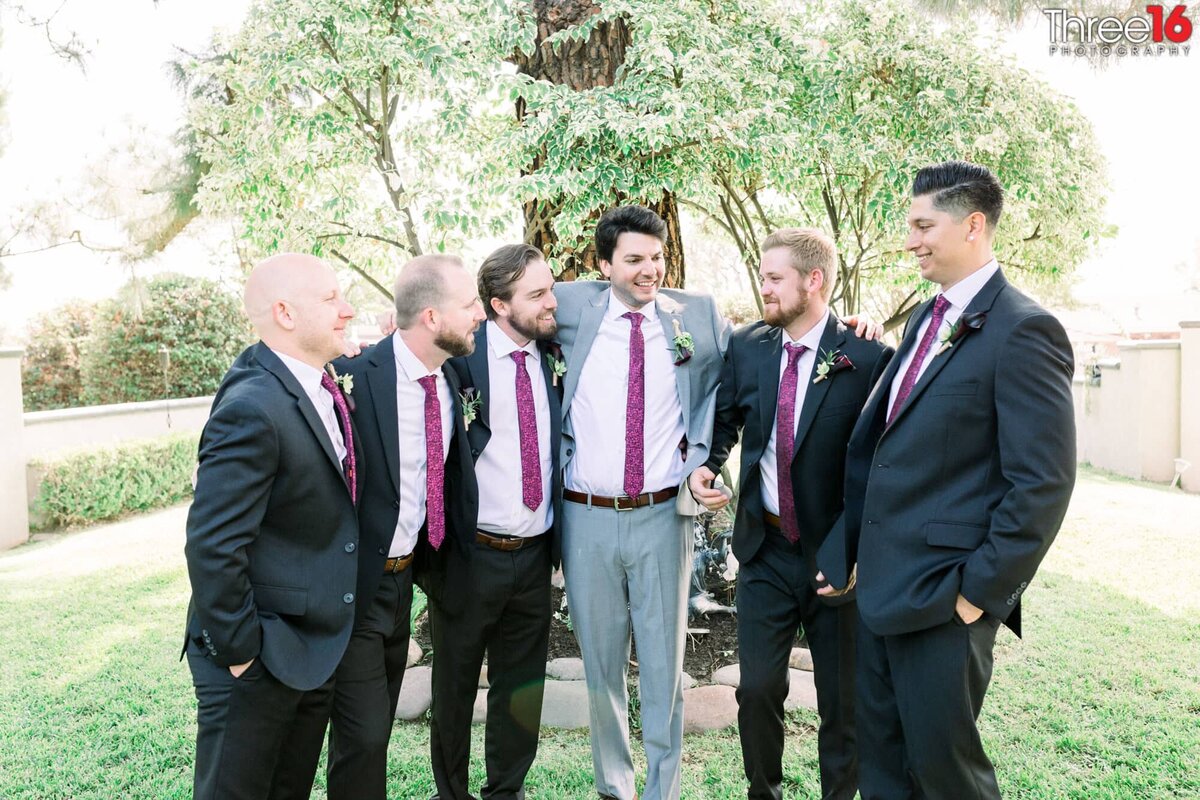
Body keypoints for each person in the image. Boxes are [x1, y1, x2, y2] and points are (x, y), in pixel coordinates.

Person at [817, 161, 1077, 799]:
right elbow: (883, 448)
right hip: (879, 595)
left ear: (974, 225)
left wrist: (978, 594)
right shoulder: (926, 321)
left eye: (923, 225)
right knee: (881, 770)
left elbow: (1042, 483)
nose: (910, 241)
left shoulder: (1025, 329)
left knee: (945, 773)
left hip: (945, 602)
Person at [695, 228, 892, 800]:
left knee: (842, 702)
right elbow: (727, 418)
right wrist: (707, 464)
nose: (764, 289)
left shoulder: (867, 356)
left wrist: (853, 548)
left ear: (815, 281)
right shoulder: (750, 345)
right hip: (765, 550)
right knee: (756, 689)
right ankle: (765, 792)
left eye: (774, 278)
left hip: (836, 556)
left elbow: (883, 460)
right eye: (762, 277)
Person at [555, 204, 732, 800]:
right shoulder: (571, 308)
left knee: (664, 666)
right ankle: (614, 786)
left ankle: (662, 789)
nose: (649, 270)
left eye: (656, 257)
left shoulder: (698, 315)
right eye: (633, 260)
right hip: (586, 518)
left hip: (663, 516)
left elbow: (765, 350)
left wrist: (848, 327)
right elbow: (499, 309)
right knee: (601, 666)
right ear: (602, 264)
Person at [182, 253, 360, 800]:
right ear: (285, 313)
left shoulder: (316, 385)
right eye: (331, 299)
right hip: (258, 658)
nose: (347, 310)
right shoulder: (252, 406)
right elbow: (213, 545)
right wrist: (241, 653)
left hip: (310, 652)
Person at [325, 254, 485, 800]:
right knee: (364, 736)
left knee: (375, 728)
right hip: (355, 585)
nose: (481, 315)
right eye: (469, 306)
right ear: (432, 318)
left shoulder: (454, 375)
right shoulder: (349, 378)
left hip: (408, 581)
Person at [431, 243, 563, 800]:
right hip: (470, 555)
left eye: (551, 287)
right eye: (537, 294)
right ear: (498, 306)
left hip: (534, 555)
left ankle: (507, 791)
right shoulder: (459, 358)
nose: (553, 302)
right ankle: (452, 793)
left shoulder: (558, 352)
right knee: (455, 687)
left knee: (522, 687)